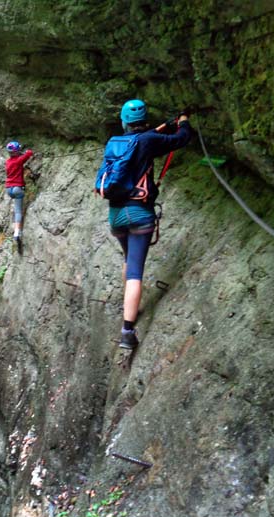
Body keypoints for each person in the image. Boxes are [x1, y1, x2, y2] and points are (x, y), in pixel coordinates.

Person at [109, 99, 193, 349]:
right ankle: (127, 332)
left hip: (115, 214)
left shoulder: (115, 142)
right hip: (140, 214)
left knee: (127, 260)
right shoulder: (148, 141)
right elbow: (181, 138)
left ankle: (128, 302)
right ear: (144, 120)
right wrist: (183, 122)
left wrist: (164, 126)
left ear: (123, 121)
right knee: (136, 271)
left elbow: (143, 138)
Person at [4, 141, 34, 247]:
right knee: (18, 211)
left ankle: (15, 230)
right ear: (17, 152)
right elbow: (29, 153)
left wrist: (18, 153)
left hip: (8, 189)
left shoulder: (7, 162)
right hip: (17, 188)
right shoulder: (19, 161)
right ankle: (17, 232)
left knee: (16, 210)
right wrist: (25, 152)